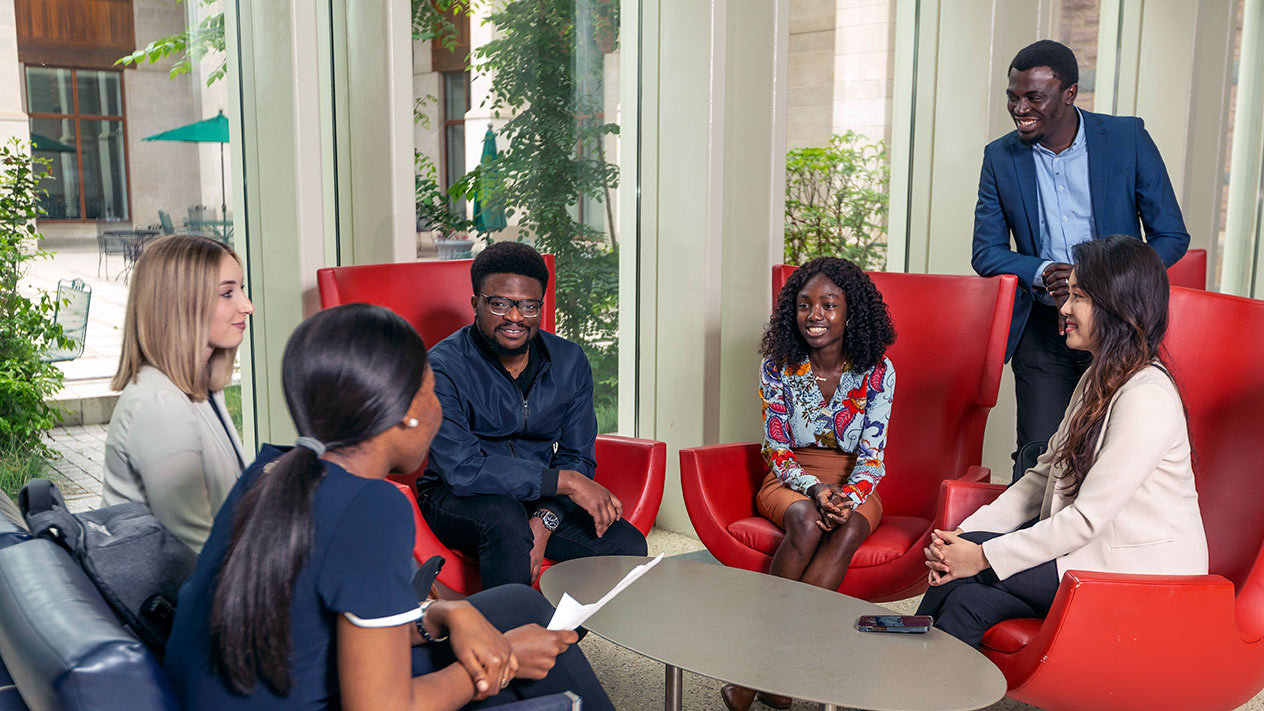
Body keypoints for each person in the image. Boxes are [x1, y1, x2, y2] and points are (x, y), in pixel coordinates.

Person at [164, 303, 613, 710]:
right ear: (407, 412)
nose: (440, 409)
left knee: (517, 603)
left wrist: (440, 613)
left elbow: (318, 624)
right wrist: (508, 660)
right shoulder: (371, 509)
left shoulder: (270, 472)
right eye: (434, 392)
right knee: (526, 655)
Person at [918, 235, 1208, 648]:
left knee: (977, 561)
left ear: (1118, 308)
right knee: (967, 601)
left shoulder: (1148, 396)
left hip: (1139, 576)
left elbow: (1087, 518)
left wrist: (979, 554)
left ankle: (898, 686)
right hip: (1090, 560)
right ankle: (909, 688)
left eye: (1078, 297)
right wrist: (961, 536)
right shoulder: (1098, 376)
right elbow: (1041, 476)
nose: (1065, 308)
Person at [970, 39, 1189, 478]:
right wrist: (1041, 271)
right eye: (1013, 97)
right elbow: (986, 251)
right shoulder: (1000, 156)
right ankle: (1024, 547)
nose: (1020, 108)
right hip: (1042, 329)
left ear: (1069, 93)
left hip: (1118, 326)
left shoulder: (1127, 139)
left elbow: (1171, 236)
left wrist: (1099, 276)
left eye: (1035, 97)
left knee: (1116, 456)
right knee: (1037, 455)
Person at [417, 242, 646, 589]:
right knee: (505, 519)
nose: (515, 317)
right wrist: (566, 483)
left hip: (536, 498)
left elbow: (577, 457)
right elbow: (463, 470)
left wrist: (545, 519)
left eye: (528, 306)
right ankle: (510, 636)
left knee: (625, 544)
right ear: (475, 303)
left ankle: (560, 637)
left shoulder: (569, 361)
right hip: (455, 498)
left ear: (540, 306)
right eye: (499, 304)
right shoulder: (442, 367)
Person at [721, 257, 896, 711]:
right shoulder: (778, 365)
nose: (814, 315)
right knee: (806, 520)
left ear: (851, 312)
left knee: (850, 526)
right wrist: (815, 490)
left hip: (855, 480)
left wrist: (848, 497)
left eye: (828, 304)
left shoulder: (879, 370)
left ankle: (760, 672)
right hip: (790, 477)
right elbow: (776, 447)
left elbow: (873, 456)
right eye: (804, 305)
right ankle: (774, 671)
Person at [103, 234, 252, 552]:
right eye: (228, 293)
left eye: (241, 290)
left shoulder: (202, 389)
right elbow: (197, 553)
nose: (247, 306)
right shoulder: (160, 406)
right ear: (182, 305)